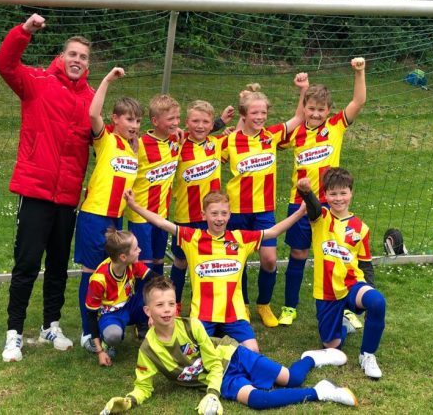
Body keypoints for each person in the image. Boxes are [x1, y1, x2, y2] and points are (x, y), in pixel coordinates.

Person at [98, 276, 357, 415]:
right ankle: (322, 391)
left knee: (292, 378)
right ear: (147, 311)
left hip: (233, 356)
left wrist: (211, 393)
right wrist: (129, 401)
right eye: (159, 305)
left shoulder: (192, 326)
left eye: (171, 304)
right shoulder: (148, 350)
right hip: (222, 379)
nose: (166, 310)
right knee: (258, 400)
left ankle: (312, 358)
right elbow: (144, 385)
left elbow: (213, 362)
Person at [0, 13, 95, 362]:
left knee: (57, 265)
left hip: (67, 196)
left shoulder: (91, 99)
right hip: (36, 191)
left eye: (83, 57)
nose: (77, 61)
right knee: (26, 264)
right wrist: (24, 32)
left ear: (88, 65)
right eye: (73, 54)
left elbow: (108, 137)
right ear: (62, 56)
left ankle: (50, 325)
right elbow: (5, 64)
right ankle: (14, 333)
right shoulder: (37, 82)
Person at [125, 189, 305, 353]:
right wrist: (134, 206)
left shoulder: (240, 239)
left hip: (234, 313)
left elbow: (273, 232)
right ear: (204, 215)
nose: (219, 218)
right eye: (214, 213)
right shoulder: (192, 238)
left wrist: (300, 212)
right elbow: (161, 222)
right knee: (193, 355)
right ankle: (218, 343)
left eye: (224, 213)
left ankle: (223, 347)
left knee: (253, 351)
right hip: (203, 314)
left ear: (229, 215)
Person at [278, 58, 367, 328]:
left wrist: (359, 72)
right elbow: (270, 138)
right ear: (304, 108)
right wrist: (302, 90)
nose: (315, 114)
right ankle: (289, 306)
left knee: (337, 256)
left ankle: (346, 306)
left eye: (321, 110)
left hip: (331, 205)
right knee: (298, 254)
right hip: (300, 204)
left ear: (328, 111)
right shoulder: (295, 133)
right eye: (311, 108)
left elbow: (359, 101)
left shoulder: (336, 126)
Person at [221, 76, 308, 328]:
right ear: (244, 115)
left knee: (269, 260)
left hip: (264, 211)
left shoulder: (271, 135)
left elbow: (299, 118)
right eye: (254, 113)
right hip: (236, 211)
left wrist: (303, 90)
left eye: (263, 112)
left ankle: (264, 304)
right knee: (238, 260)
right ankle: (243, 305)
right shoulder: (229, 140)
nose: (260, 117)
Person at [73, 67, 143, 354]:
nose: (134, 125)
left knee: (111, 271)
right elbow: (93, 115)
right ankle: (87, 333)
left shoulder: (132, 149)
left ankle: (106, 324)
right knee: (92, 273)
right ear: (115, 119)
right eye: (129, 119)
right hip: (94, 216)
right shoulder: (107, 140)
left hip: (116, 218)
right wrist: (107, 80)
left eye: (138, 120)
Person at [297, 168, 386, 379]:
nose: (338, 198)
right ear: (326, 195)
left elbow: (365, 264)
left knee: (377, 302)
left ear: (351, 193)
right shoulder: (321, 217)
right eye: (333, 193)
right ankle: (343, 326)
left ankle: (367, 355)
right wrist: (306, 192)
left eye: (343, 193)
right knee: (332, 346)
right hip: (327, 290)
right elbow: (312, 206)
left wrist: (370, 289)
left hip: (352, 284)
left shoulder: (361, 228)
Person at [170, 100, 234, 316]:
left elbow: (242, 135)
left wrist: (224, 121)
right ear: (186, 122)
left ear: (211, 124)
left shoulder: (217, 143)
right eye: (195, 121)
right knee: (181, 261)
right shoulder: (178, 145)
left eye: (205, 122)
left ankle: (209, 303)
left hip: (212, 217)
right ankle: (175, 302)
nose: (200, 126)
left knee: (211, 259)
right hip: (185, 215)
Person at [125, 95, 181, 277]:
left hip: (162, 215)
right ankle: (140, 295)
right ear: (155, 121)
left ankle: (158, 294)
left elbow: (201, 131)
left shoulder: (176, 141)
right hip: (140, 215)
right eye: (170, 119)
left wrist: (222, 123)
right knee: (143, 264)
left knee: (158, 261)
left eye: (178, 118)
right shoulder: (139, 145)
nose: (176, 122)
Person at [84, 229, 156, 365]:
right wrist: (100, 352)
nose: (140, 250)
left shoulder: (132, 264)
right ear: (123, 257)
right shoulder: (99, 279)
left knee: (158, 303)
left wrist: (154, 311)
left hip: (131, 304)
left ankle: (156, 337)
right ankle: (105, 342)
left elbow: (156, 279)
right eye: (136, 248)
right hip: (111, 314)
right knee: (113, 336)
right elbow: (91, 315)